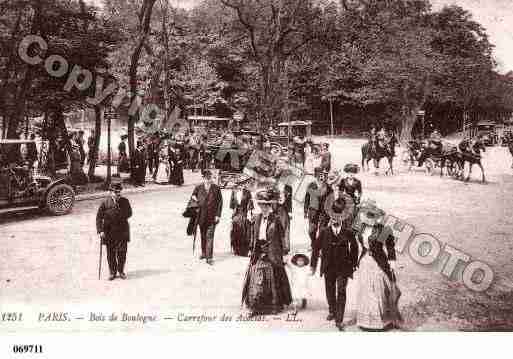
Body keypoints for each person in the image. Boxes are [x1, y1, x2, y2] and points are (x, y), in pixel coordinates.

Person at [242, 188, 292, 316]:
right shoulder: (256, 219)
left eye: (266, 206)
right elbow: (253, 236)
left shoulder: (276, 220)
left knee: (273, 277)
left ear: (270, 206)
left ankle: (274, 305)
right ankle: (255, 306)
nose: (264, 208)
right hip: (259, 251)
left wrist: (284, 253)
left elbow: (282, 237)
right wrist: (251, 249)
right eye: (262, 206)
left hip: (272, 252)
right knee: (256, 277)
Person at [311, 198, 358, 331]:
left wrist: (353, 263)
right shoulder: (324, 231)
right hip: (328, 266)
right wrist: (313, 265)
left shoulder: (348, 232)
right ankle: (332, 310)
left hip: (343, 267)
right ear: (330, 216)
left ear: (343, 216)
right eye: (334, 215)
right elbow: (316, 248)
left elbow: (354, 247)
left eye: (339, 216)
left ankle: (339, 319)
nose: (336, 218)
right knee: (329, 290)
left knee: (341, 290)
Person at [354, 201, 402, 330]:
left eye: (373, 216)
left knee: (377, 290)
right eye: (368, 215)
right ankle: (366, 322)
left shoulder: (384, 230)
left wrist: (392, 262)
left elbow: (390, 247)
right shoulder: (361, 228)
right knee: (366, 291)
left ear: (376, 217)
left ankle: (381, 321)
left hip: (378, 262)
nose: (370, 218)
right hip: (364, 262)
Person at [96, 183, 133, 280]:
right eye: (116, 192)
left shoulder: (125, 201)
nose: (118, 194)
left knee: (122, 253)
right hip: (109, 232)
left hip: (122, 230)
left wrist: (119, 213)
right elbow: (99, 217)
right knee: (110, 253)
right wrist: (100, 231)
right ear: (110, 192)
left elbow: (129, 213)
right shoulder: (105, 203)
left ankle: (121, 271)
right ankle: (112, 272)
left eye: (119, 192)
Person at [190, 170, 223, 265]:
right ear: (203, 178)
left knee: (210, 236)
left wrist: (218, 215)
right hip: (201, 216)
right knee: (203, 235)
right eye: (206, 178)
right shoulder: (198, 187)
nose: (208, 180)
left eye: (210, 178)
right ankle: (204, 252)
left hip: (212, 217)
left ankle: (209, 257)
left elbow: (220, 202)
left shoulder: (216, 188)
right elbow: (193, 196)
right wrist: (195, 200)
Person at [304, 167, 329, 250]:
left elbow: (331, 200)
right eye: (318, 175)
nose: (320, 177)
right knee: (311, 231)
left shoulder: (327, 187)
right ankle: (313, 243)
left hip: (324, 212)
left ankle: (319, 246)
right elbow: (307, 198)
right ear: (315, 175)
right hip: (313, 210)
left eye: (321, 175)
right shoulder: (311, 185)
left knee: (322, 230)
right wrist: (305, 211)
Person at [229, 181, 254, 257]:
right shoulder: (234, 192)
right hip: (236, 214)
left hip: (244, 213)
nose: (240, 186)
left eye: (242, 184)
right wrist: (232, 215)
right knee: (235, 231)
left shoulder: (248, 192)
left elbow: (250, 205)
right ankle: (236, 249)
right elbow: (231, 205)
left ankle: (245, 250)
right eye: (239, 184)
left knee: (245, 232)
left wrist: (249, 214)